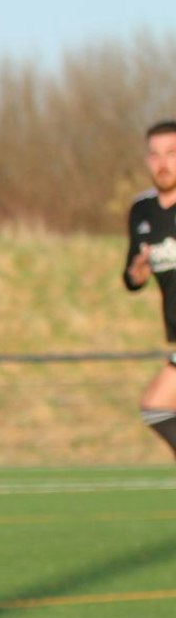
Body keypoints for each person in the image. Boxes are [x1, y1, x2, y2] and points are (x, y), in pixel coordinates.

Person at [125, 119, 176, 457]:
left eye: (172, 153)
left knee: (156, 405)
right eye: (155, 154)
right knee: (157, 408)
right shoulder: (142, 210)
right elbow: (131, 277)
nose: (162, 163)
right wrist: (137, 272)